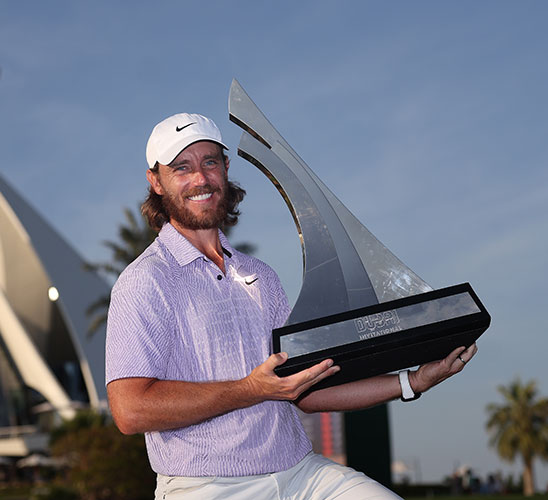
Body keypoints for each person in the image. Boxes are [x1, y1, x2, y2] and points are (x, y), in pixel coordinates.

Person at [105, 112, 477, 500]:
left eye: (210, 162)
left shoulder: (260, 276)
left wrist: (413, 381)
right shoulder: (145, 281)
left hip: (302, 475)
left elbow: (305, 390)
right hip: (208, 487)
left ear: (226, 169)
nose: (200, 178)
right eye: (181, 167)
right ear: (156, 181)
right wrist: (250, 389)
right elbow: (131, 410)